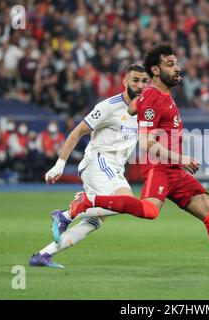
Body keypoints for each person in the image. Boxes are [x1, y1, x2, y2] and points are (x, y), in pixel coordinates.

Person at [65, 44, 209, 280]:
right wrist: (180, 158)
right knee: (150, 211)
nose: (177, 68)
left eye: (176, 63)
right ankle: (87, 200)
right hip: (159, 167)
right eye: (170, 64)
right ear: (155, 69)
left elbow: (133, 108)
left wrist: (138, 104)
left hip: (175, 172)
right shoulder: (154, 96)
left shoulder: (157, 95)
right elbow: (146, 142)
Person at [29, 64, 149, 268]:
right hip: (99, 161)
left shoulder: (143, 110)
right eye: (135, 80)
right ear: (125, 81)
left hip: (114, 168)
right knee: (127, 203)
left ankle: (43, 255)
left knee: (96, 221)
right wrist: (59, 165)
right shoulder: (109, 106)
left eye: (144, 81)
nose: (140, 85)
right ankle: (67, 214)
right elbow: (77, 132)